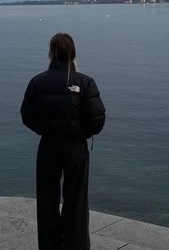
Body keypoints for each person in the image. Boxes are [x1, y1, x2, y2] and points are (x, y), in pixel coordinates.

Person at [20, 33, 106, 250]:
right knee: (76, 200)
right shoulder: (85, 82)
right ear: (73, 52)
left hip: (48, 146)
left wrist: (44, 129)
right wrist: (80, 133)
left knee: (47, 200)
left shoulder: (37, 82)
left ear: (51, 53)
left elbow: (27, 116)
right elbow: (97, 121)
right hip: (76, 148)